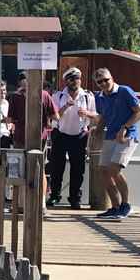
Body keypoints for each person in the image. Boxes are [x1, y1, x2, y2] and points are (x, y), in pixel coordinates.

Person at [85, 68, 140, 219]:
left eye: (106, 80)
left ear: (112, 77)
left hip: (127, 137)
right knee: (103, 171)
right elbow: (104, 116)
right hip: (110, 136)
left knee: (114, 169)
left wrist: (125, 127)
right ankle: (115, 207)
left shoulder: (125, 91)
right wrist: (96, 132)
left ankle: (126, 206)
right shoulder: (99, 97)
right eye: (100, 82)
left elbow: (139, 112)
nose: (104, 83)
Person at [46, 67, 95, 209]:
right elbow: (53, 117)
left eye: (78, 78)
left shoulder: (88, 96)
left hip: (79, 135)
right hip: (60, 134)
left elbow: (95, 116)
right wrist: (66, 106)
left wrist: (86, 113)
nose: (75, 81)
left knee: (78, 170)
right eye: (72, 79)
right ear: (66, 81)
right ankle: (54, 196)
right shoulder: (57, 96)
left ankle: (75, 198)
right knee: (57, 168)